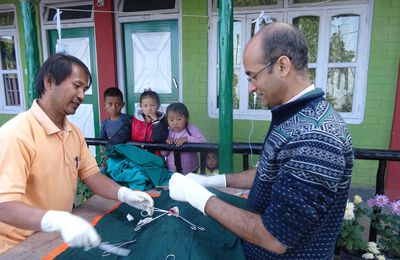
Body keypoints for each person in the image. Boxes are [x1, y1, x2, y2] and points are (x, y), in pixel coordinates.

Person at [168, 22, 354, 259]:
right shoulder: (293, 117)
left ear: (283, 65)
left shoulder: (316, 138)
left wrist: (197, 196)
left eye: (253, 76)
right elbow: (267, 172)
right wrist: (211, 181)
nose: (250, 87)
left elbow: (274, 237)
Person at [0, 53, 154, 255]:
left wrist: (124, 194)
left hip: (57, 238)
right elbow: (4, 206)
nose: (82, 95)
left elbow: (92, 175)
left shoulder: (73, 132)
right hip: (19, 247)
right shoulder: (17, 134)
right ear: (49, 81)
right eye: (76, 86)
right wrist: (58, 220)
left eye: (84, 89)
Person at [161, 102, 206, 174]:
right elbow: (164, 154)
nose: (175, 123)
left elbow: (203, 142)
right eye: (171, 120)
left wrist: (187, 139)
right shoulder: (167, 132)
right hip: (172, 171)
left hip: (192, 171)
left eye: (179, 119)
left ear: (186, 118)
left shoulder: (191, 129)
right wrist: (167, 145)